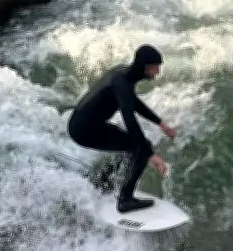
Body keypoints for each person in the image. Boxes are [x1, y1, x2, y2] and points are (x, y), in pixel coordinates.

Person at [67, 44, 176, 213]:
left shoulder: (123, 74)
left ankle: (103, 182)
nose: (158, 72)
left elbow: (132, 101)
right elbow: (130, 120)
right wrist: (151, 154)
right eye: (156, 68)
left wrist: (159, 122)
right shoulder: (122, 83)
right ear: (146, 67)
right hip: (84, 131)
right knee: (141, 146)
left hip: (85, 124)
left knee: (131, 145)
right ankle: (125, 200)